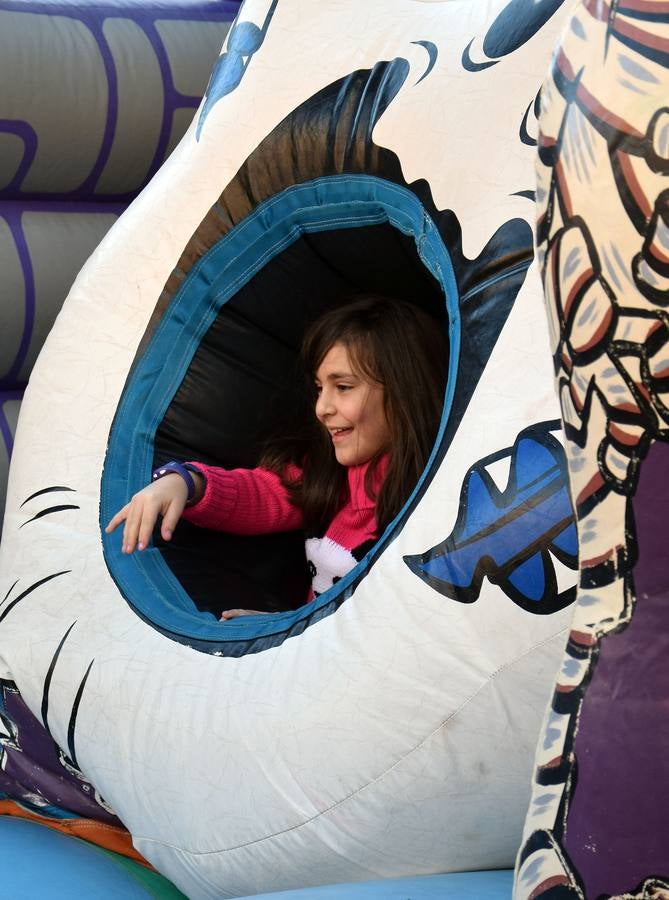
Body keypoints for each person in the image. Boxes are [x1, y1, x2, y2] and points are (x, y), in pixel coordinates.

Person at [106, 294, 447, 618]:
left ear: (404, 391)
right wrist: (184, 482)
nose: (322, 408)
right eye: (319, 388)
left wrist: (295, 633)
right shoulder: (328, 477)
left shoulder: (435, 507)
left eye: (343, 387)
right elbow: (260, 492)